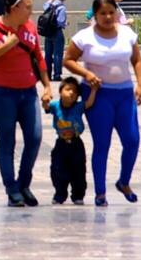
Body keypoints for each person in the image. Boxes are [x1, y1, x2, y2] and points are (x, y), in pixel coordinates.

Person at [63, 0, 141, 206]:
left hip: (124, 94)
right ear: (95, 14)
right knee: (102, 144)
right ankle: (100, 192)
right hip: (99, 96)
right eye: (103, 13)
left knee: (132, 140)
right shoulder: (85, 36)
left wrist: (140, 85)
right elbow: (68, 60)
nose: (108, 17)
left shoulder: (127, 34)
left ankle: (124, 180)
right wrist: (87, 74)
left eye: (111, 12)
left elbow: (137, 60)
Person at [0, 0, 53, 207]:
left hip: (28, 93)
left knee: (35, 137)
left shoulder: (29, 28)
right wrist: (6, 46)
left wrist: (47, 86)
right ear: (14, 8)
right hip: (2, 95)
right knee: (7, 142)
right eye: (27, 7)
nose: (31, 11)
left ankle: (24, 183)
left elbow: (38, 57)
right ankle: (12, 189)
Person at [47, 76, 88, 205]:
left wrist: (94, 90)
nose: (71, 93)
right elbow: (46, 106)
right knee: (58, 170)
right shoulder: (55, 105)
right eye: (68, 89)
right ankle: (60, 194)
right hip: (61, 144)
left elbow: (89, 103)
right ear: (60, 91)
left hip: (76, 143)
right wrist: (45, 98)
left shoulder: (79, 106)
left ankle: (78, 195)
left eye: (75, 92)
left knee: (79, 170)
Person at [41, 0, 70, 81]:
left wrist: (50, 0)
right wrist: (66, 24)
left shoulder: (49, 5)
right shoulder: (62, 8)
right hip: (57, 32)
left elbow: (44, 5)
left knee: (48, 54)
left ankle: (47, 74)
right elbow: (60, 22)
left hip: (48, 32)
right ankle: (57, 75)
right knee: (58, 54)